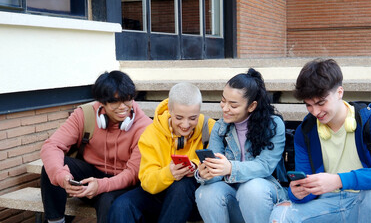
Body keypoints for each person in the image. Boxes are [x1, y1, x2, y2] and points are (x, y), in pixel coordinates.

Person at [269, 59, 371, 223]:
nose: (315, 112)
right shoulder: (305, 132)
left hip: (365, 198)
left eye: (321, 102)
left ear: (339, 92)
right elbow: (307, 191)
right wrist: (297, 193)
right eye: (308, 105)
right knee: (281, 215)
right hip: (328, 203)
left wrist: (338, 180)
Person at [40, 71, 152, 223]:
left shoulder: (144, 127)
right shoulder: (85, 115)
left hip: (122, 183)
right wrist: (62, 177)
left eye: (127, 100)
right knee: (51, 166)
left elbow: (132, 174)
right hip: (91, 174)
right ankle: (56, 221)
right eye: (115, 102)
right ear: (102, 103)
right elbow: (51, 146)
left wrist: (100, 186)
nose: (122, 107)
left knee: (109, 203)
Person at [108, 82, 216, 223]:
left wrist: (195, 167)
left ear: (199, 111)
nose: (185, 125)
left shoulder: (210, 127)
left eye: (193, 118)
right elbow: (147, 182)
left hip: (193, 199)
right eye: (179, 118)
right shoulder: (151, 133)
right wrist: (169, 173)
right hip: (160, 193)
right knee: (121, 206)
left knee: (182, 184)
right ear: (169, 110)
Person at [195, 68, 287, 223]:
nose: (225, 108)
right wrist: (205, 175)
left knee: (251, 189)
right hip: (234, 196)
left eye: (233, 105)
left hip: (265, 197)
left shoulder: (273, 125)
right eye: (223, 101)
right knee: (206, 192)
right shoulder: (220, 127)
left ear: (251, 106)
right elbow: (216, 173)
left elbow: (265, 166)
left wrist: (230, 168)